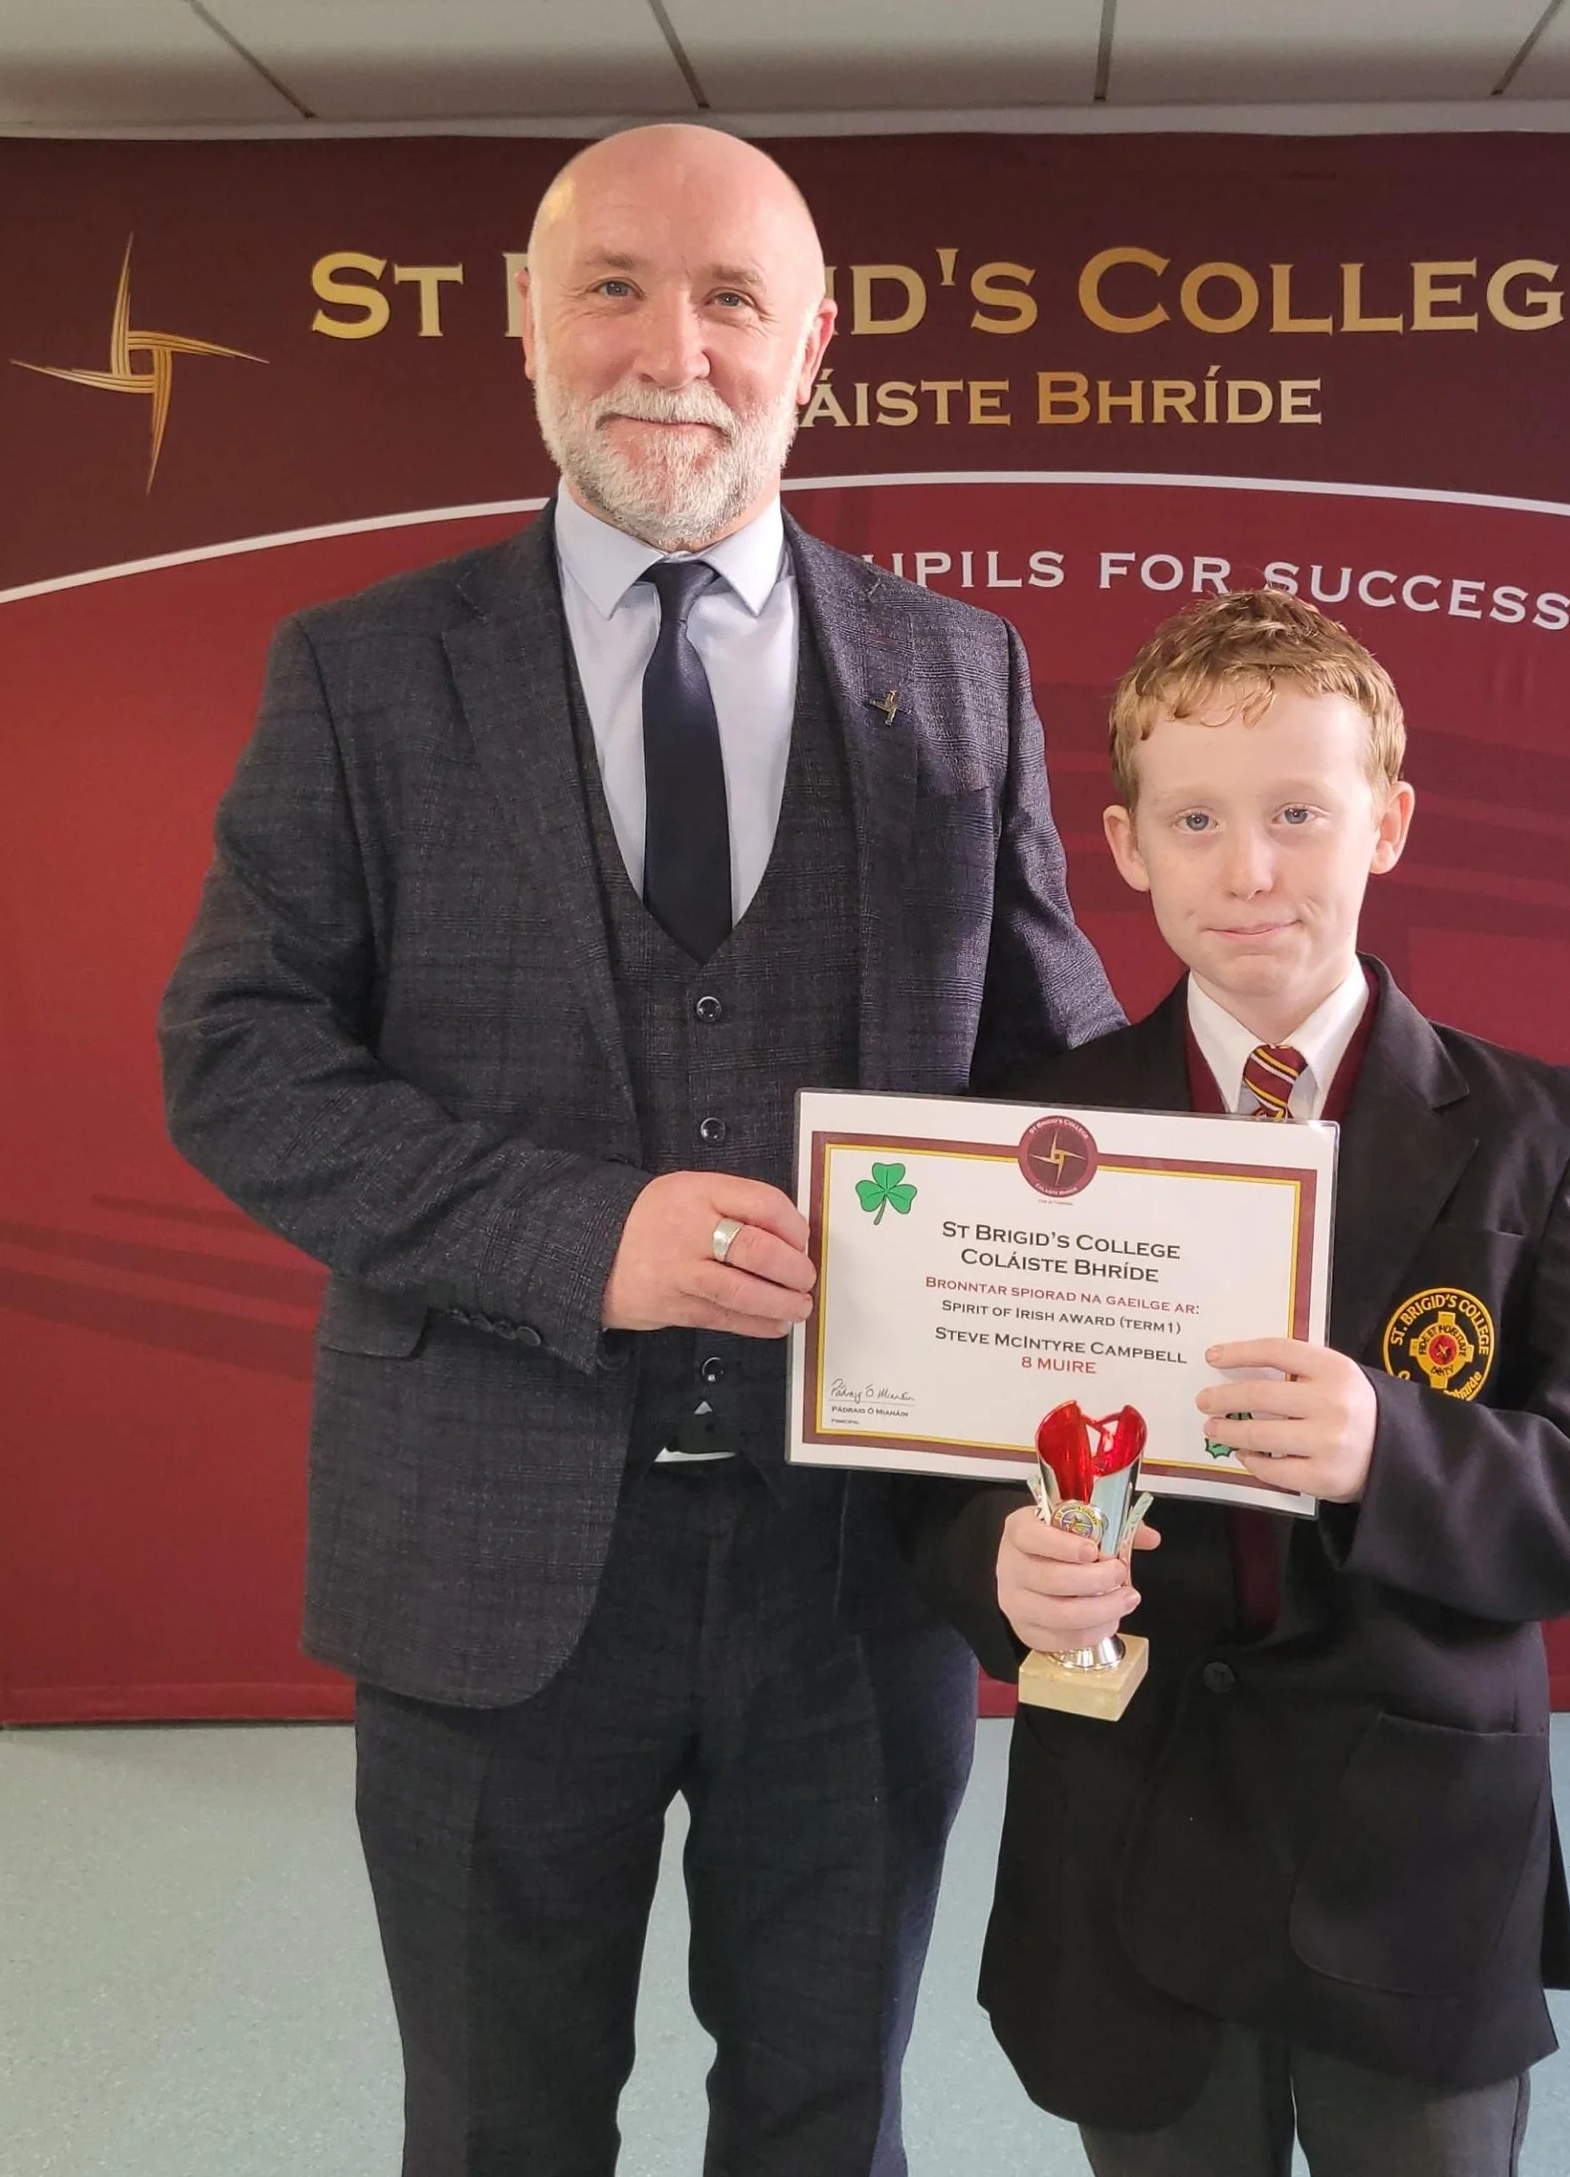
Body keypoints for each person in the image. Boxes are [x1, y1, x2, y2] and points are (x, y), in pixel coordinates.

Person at [158, 122, 1120, 2177]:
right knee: (503, 2123)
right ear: (522, 321)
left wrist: (1280, 1121)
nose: (664, 347)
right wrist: (576, 1233)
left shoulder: (955, 673)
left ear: (814, 346)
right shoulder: (363, 674)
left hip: (858, 1569)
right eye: (608, 285)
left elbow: (1057, 1083)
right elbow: (235, 1058)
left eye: (727, 297)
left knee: (816, 2116)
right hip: (484, 1561)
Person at [905, 590, 1570, 2177]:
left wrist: (1388, 1448)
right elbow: (935, 1474)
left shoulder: (1531, 1128)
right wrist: (1000, 1563)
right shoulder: (1035, 1132)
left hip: (1418, 1866)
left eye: (1299, 815)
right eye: (1196, 819)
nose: (1248, 870)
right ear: (1123, 843)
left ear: (1385, 824)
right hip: (1131, 1837)